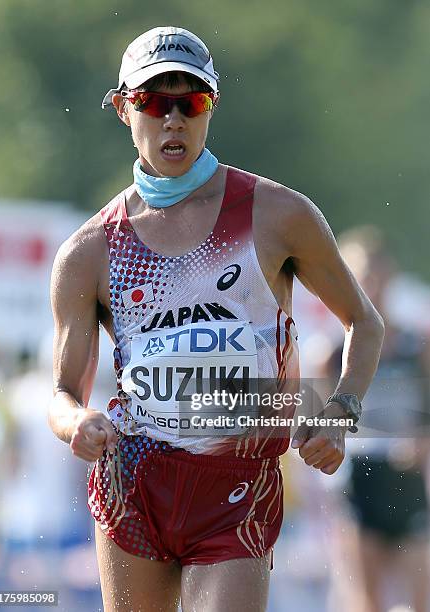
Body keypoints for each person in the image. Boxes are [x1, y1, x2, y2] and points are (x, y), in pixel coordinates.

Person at [48, 26, 384, 612]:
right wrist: (75, 422)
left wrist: (340, 412)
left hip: (238, 479)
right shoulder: (89, 251)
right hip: (135, 478)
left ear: (211, 107)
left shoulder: (278, 213)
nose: (173, 119)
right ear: (127, 110)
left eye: (190, 101)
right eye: (155, 102)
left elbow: (364, 322)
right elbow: (60, 392)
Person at [323, 227, 430, 612]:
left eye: (379, 275)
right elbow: (315, 418)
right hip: (359, 478)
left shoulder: (414, 342)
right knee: (366, 602)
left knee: (421, 599)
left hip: (406, 475)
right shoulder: (333, 350)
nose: (374, 286)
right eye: (364, 277)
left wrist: (422, 439)